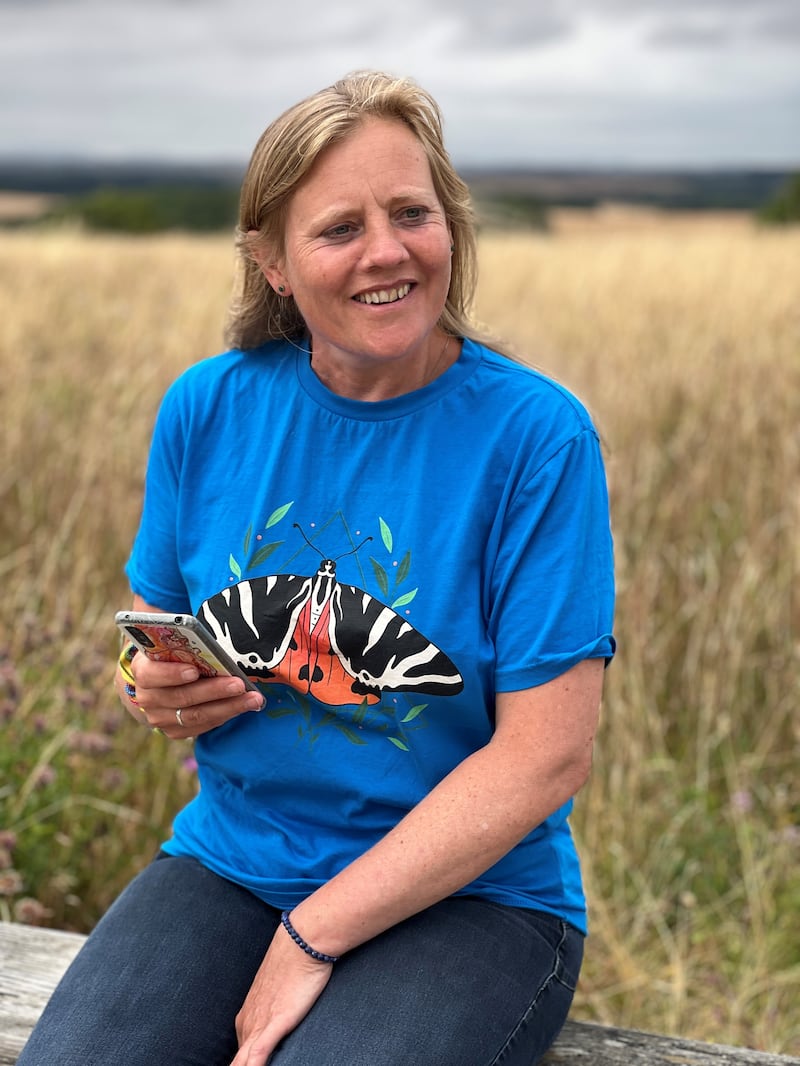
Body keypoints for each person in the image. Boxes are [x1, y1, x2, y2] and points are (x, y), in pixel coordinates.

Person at [18, 70, 615, 1066]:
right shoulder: (206, 408)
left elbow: (544, 757)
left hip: (471, 896)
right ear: (272, 262)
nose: (385, 251)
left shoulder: (536, 436)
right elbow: (150, 631)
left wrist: (311, 932)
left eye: (411, 213)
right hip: (235, 861)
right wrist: (157, 686)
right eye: (339, 228)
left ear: (450, 228)